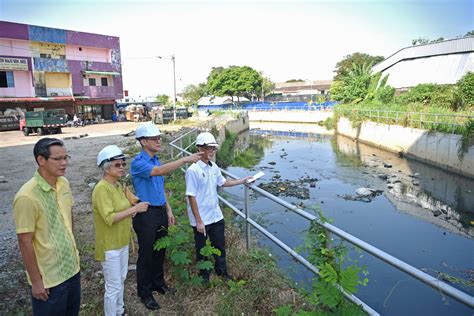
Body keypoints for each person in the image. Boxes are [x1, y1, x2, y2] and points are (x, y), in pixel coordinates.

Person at [130, 122, 202, 310]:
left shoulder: (156, 160)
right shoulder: (139, 163)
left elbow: (159, 186)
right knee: (146, 254)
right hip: (145, 213)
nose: (159, 141)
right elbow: (158, 173)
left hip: (160, 210)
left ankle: (158, 283)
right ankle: (144, 292)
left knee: (160, 250)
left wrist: (168, 209)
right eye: (155, 138)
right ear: (143, 141)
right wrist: (186, 159)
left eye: (159, 137)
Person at [13, 138, 81, 315]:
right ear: (41, 160)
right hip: (49, 280)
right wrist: (36, 281)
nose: (64, 163)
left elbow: (68, 216)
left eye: (66, 157)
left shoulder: (63, 183)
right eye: (58, 159)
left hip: (72, 269)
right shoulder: (26, 196)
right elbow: (24, 242)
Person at [185, 132, 252, 283]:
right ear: (199, 149)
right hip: (201, 218)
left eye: (213, 148)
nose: (212, 151)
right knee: (202, 249)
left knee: (219, 246)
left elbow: (223, 182)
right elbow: (191, 196)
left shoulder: (213, 167)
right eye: (208, 148)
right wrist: (199, 221)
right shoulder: (193, 170)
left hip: (216, 215)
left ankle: (222, 273)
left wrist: (242, 181)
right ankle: (204, 276)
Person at [92, 145, 149, 316]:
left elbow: (128, 203)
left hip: (122, 241)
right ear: (106, 167)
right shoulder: (102, 189)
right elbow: (109, 218)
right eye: (117, 165)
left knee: (121, 279)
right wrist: (134, 210)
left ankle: (120, 310)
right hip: (109, 245)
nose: (122, 167)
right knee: (113, 285)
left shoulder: (118, 186)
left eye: (123, 164)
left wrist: (133, 206)